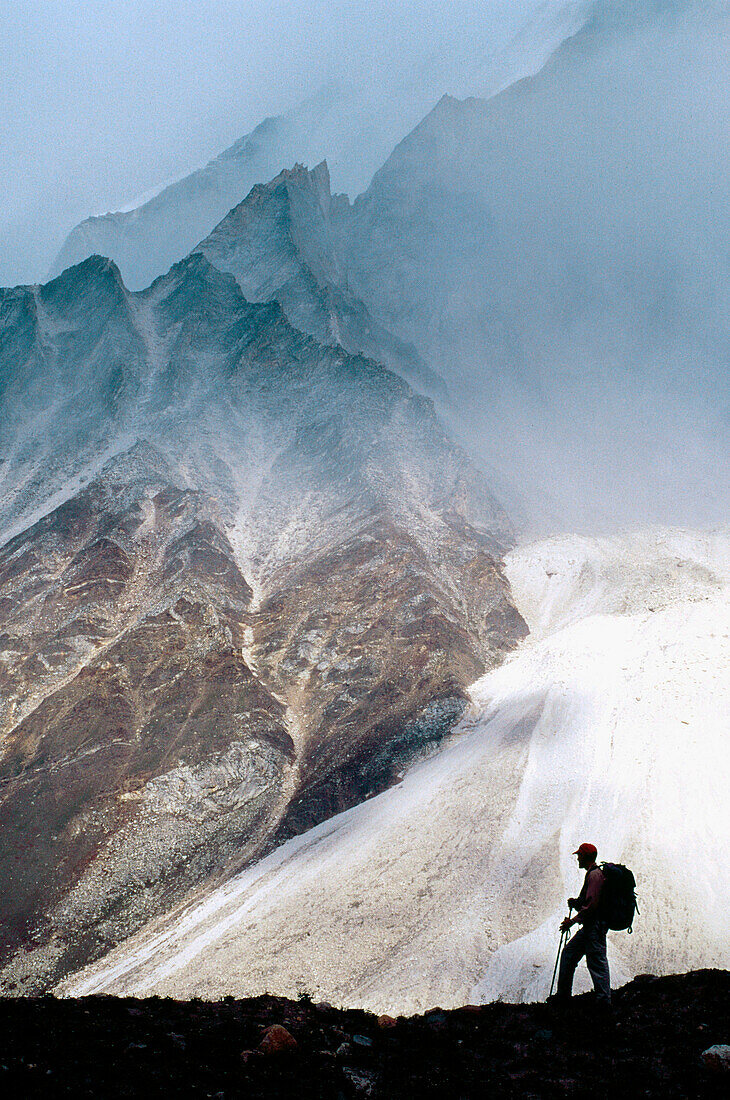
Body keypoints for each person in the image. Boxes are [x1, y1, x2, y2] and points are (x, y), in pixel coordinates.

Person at [554, 842, 611, 1008]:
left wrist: (572, 922)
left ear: (585, 857)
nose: (577, 858)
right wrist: (577, 903)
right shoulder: (595, 874)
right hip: (591, 928)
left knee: (596, 962)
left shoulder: (594, 876)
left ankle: (603, 1003)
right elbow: (589, 902)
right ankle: (564, 997)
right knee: (570, 955)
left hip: (594, 928)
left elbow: (592, 905)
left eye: (579, 855)